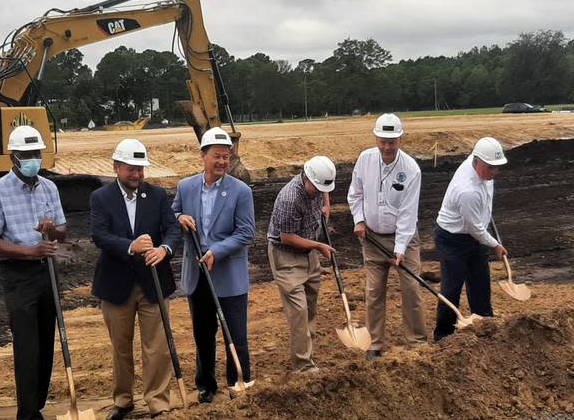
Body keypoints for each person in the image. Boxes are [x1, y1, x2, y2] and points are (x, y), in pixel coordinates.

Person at [0, 125, 67, 420]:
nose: (33, 159)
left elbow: (62, 232)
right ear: (13, 157)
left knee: (46, 342)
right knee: (27, 345)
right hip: (17, 275)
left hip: (48, 272)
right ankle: (27, 413)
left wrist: (50, 230)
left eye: (36, 153)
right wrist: (30, 252)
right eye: (26, 154)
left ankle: (38, 405)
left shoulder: (49, 188)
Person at [90, 139, 180, 420]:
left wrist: (164, 250)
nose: (138, 175)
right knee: (121, 347)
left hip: (153, 282)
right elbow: (99, 235)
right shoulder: (101, 197)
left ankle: (158, 403)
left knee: (157, 347)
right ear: (116, 167)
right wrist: (131, 246)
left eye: (141, 169)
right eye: (131, 169)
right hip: (117, 284)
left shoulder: (157, 195)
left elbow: (173, 229)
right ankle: (123, 400)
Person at [172, 127, 255, 402]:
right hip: (197, 274)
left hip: (228, 274)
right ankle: (206, 385)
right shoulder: (186, 187)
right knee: (203, 334)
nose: (222, 162)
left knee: (236, 334)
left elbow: (246, 232)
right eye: (217, 156)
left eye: (226, 157)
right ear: (203, 156)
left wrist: (217, 251)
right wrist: (179, 218)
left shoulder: (240, 191)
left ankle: (239, 381)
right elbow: (173, 214)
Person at [347, 113, 426, 360]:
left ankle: (417, 341)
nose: (387, 147)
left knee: (411, 288)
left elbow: (407, 213)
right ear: (376, 138)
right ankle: (375, 344)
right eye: (382, 140)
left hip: (404, 238)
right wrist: (359, 220)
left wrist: (400, 249)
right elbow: (355, 194)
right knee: (374, 291)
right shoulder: (365, 159)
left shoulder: (411, 169)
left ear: (400, 140)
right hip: (371, 238)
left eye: (392, 141)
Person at [433, 137, 509, 340]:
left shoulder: (482, 169)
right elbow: (475, 229)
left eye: (497, 167)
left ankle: (485, 324)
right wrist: (495, 245)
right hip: (452, 239)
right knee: (452, 286)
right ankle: (444, 335)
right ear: (476, 161)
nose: (494, 172)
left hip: (474, 236)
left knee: (480, 281)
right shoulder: (467, 190)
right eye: (490, 168)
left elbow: (479, 221)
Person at [266, 155, 337, 373]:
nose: (318, 190)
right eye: (315, 187)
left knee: (311, 306)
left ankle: (308, 353)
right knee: (298, 311)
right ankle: (303, 366)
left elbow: (325, 188)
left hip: (309, 252)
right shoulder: (290, 198)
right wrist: (318, 246)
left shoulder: (318, 184)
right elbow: (287, 237)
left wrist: (326, 204)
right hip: (286, 255)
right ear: (305, 176)